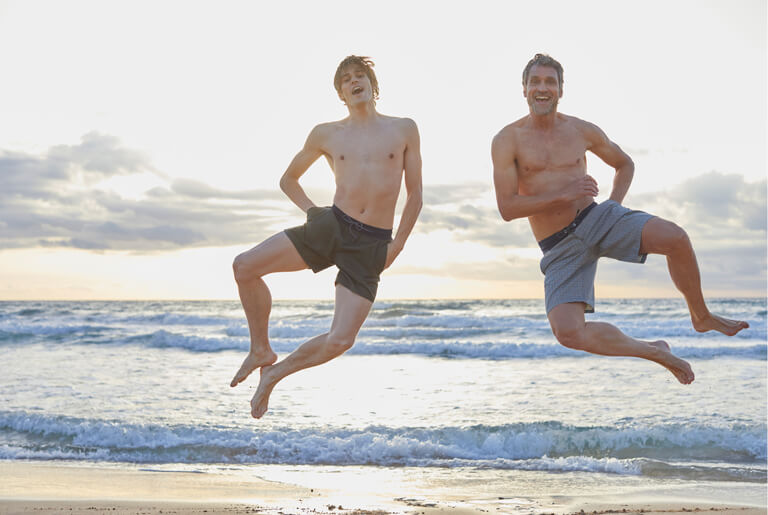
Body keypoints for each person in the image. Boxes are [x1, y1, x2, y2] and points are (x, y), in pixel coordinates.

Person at [491, 53, 748, 384]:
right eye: (535, 82)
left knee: (676, 238)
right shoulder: (507, 140)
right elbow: (507, 208)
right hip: (557, 247)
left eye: (550, 82)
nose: (543, 88)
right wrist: (565, 194)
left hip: (595, 218)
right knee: (568, 333)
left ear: (561, 89)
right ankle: (656, 350)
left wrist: (611, 207)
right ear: (524, 89)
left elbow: (625, 164)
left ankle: (701, 316)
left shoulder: (582, 131)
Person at [230, 55, 422, 418]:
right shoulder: (326, 134)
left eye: (360, 75)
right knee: (244, 267)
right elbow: (288, 180)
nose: (354, 81)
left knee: (341, 339)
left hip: (372, 243)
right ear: (341, 94)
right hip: (332, 224)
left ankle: (274, 373)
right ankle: (260, 349)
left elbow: (415, 195)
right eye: (346, 79)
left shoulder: (404, 129)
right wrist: (312, 212)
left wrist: (396, 246)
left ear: (372, 84)